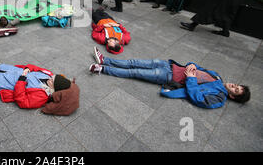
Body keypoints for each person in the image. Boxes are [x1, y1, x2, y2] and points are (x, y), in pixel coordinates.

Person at [88, 51, 251, 109]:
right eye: (237, 85)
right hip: (169, 65)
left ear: (232, 96)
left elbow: (199, 99)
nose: (234, 86)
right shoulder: (217, 76)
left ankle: (102, 69)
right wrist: (192, 65)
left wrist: (192, 79)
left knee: (134, 72)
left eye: (236, 90)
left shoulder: (219, 98)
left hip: (169, 77)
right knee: (134, 62)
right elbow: (197, 66)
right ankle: (105, 60)